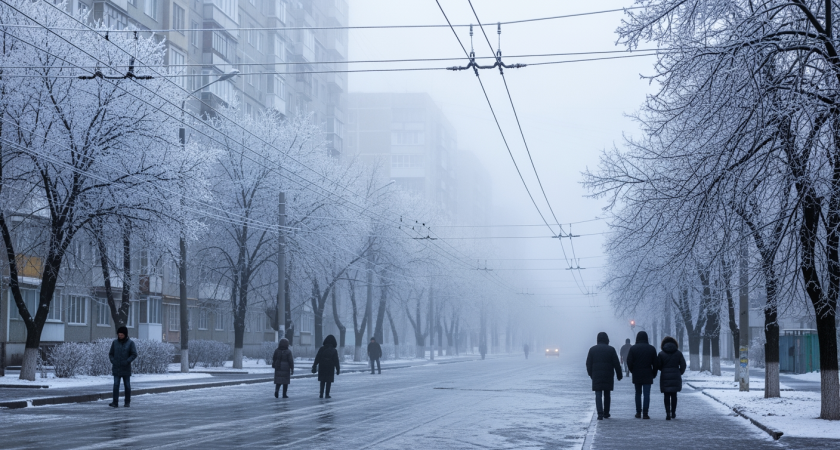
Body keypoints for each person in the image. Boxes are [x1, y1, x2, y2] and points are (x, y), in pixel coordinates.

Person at [586, 332, 622, 420]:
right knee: (607, 394)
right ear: (607, 339)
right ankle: (606, 413)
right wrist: (619, 374)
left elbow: (588, 364)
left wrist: (591, 374)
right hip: (608, 374)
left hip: (596, 375)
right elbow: (616, 363)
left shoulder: (592, 350)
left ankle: (600, 414)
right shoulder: (611, 349)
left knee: (598, 393)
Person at [626, 331, 658, 419]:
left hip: (637, 373)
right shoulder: (651, 349)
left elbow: (629, 361)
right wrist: (654, 373)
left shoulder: (633, 348)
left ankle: (638, 412)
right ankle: (645, 413)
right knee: (647, 393)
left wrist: (633, 370)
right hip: (648, 373)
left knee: (638, 393)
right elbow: (655, 363)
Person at [657, 336, 687, 420]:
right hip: (675, 375)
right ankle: (673, 412)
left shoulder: (661, 354)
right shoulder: (678, 353)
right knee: (674, 395)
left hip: (665, 375)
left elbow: (658, 365)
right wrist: (679, 372)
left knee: (666, 395)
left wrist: (663, 369)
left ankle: (667, 413)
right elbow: (683, 365)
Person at [108, 325, 138, 408]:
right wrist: (113, 360)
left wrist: (127, 361)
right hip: (116, 368)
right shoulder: (115, 343)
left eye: (122, 335)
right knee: (116, 385)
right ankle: (115, 402)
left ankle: (127, 402)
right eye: (119, 335)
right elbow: (111, 354)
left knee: (127, 386)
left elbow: (134, 354)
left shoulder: (130, 343)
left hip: (126, 368)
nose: (120, 336)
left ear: (125, 335)